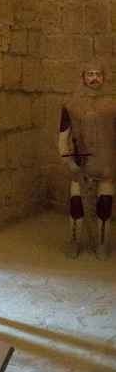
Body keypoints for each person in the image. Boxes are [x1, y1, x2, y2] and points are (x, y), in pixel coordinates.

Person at [58, 63, 116, 260]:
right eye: (90, 74)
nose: (94, 78)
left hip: (107, 162)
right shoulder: (71, 104)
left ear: (103, 77)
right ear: (83, 77)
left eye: (98, 74)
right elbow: (63, 137)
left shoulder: (113, 103)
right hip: (80, 163)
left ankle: (101, 243)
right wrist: (68, 161)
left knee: (105, 204)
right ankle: (73, 241)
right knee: (76, 203)